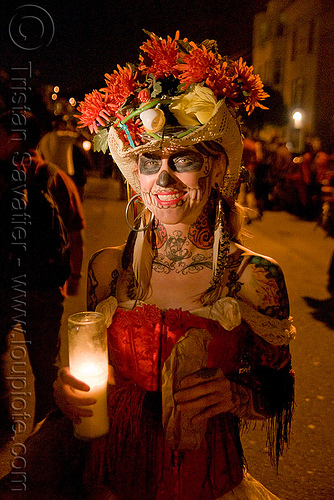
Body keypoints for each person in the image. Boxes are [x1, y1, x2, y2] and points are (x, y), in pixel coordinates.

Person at [1, 32, 295, 499]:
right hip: (108, 479)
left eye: (181, 158)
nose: (162, 178)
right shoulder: (108, 271)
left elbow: (279, 387)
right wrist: (67, 392)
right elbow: (93, 374)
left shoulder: (254, 277)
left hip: (204, 483)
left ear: (216, 169)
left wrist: (237, 395)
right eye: (147, 161)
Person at [0, 111, 85, 437]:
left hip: (5, 285)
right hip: (45, 288)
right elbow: (76, 231)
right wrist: (73, 277)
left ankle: (4, 421)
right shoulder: (55, 177)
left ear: (13, 138)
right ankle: (45, 437)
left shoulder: (1, 177)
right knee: (45, 365)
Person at [38, 115, 90, 200]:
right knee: (66, 199)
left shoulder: (45, 138)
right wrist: (72, 129)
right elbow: (81, 137)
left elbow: (40, 154)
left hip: (49, 172)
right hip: (63, 172)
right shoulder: (63, 135)